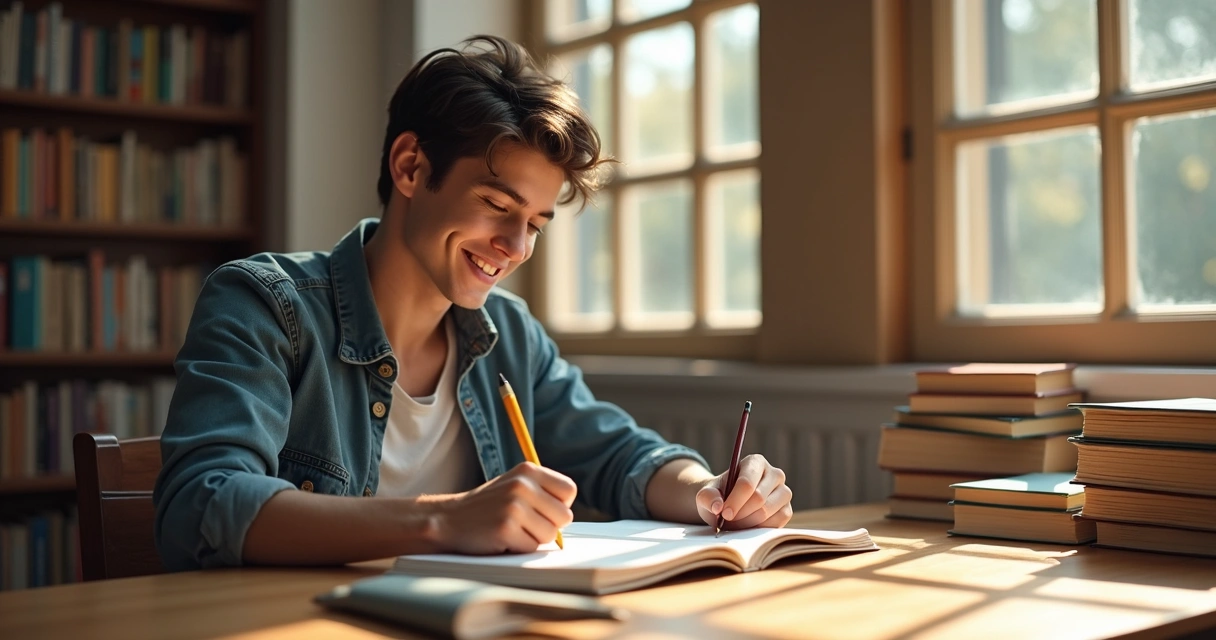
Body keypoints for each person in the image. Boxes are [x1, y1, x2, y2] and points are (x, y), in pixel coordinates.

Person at [152, 35, 793, 571]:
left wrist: (710, 491)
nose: (515, 247)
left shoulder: (509, 333)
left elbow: (622, 456)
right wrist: (446, 520)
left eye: (535, 224)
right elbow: (203, 503)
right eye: (495, 204)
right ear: (410, 167)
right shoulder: (265, 304)